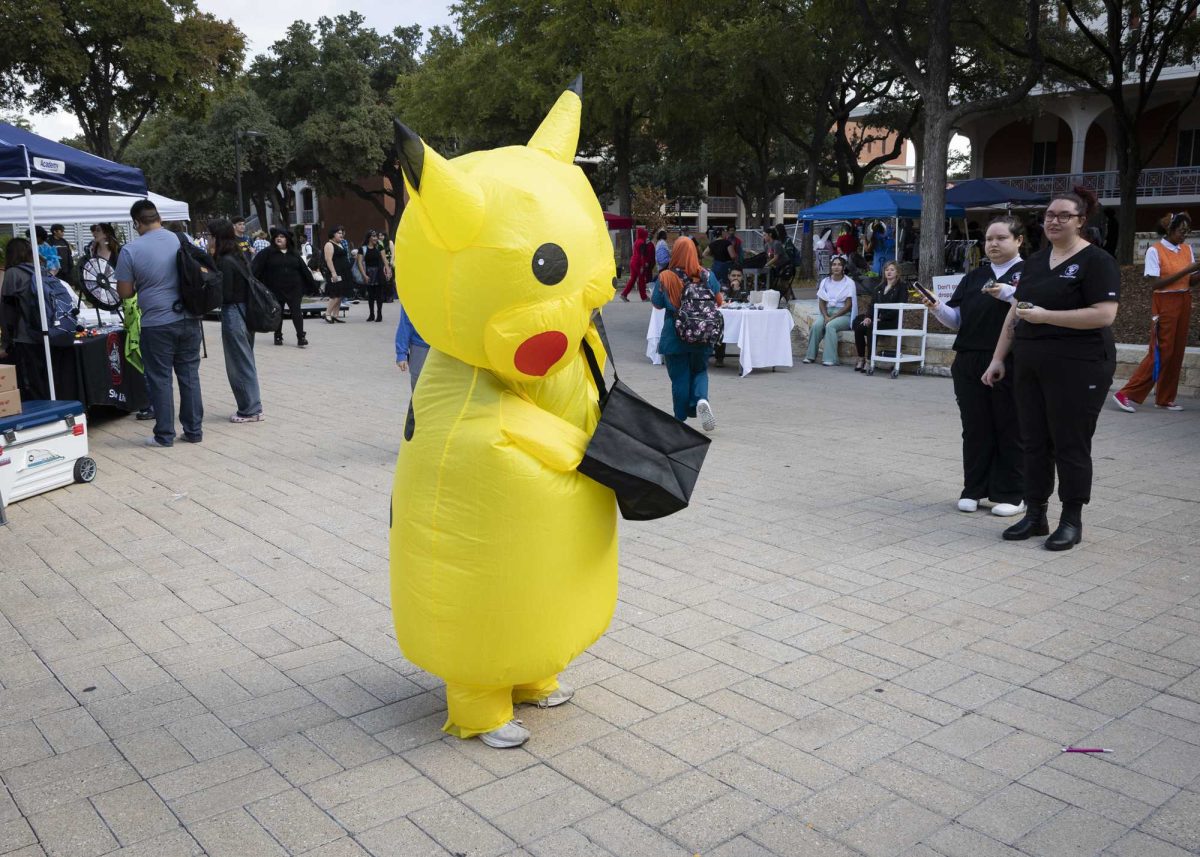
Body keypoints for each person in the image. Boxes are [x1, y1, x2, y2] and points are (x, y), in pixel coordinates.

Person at [983, 187, 1120, 551]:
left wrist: (1047, 317)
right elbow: (1016, 311)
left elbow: (1104, 315)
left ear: (1081, 221)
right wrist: (998, 357)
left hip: (1080, 366)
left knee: (1070, 443)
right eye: (1049, 215)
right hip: (1030, 364)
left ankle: (1071, 519)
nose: (1054, 221)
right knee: (1033, 441)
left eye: (1063, 216)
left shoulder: (1097, 261)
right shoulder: (1033, 263)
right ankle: (1036, 514)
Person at [921, 217, 1026, 518]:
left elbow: (1030, 309)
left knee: (1010, 425)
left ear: (1019, 240)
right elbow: (958, 320)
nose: (992, 243)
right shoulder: (974, 276)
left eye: (1001, 238)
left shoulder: (1028, 274)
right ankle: (974, 489)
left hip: (1009, 360)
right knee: (975, 427)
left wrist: (1008, 293)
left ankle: (1013, 492)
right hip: (969, 358)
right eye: (988, 238)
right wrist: (937, 308)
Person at [116, 199, 206, 447]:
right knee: (189, 376)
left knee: (160, 378)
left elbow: (124, 292)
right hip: (189, 317)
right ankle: (194, 431)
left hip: (156, 322)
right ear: (158, 217)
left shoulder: (131, 250)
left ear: (136, 222)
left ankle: (164, 435)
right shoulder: (181, 240)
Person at [1112, 212, 1197, 413]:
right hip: (1165, 301)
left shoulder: (1186, 249)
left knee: (1177, 351)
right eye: (1181, 231)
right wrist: (1187, 271)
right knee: (1162, 351)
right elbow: (1155, 284)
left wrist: (1196, 273)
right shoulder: (1155, 251)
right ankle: (1125, 393)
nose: (1184, 235)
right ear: (1169, 230)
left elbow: (1190, 281)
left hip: (1183, 299)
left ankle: (1165, 397)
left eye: (1187, 231)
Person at [651, 237, 720, 430]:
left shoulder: (666, 276)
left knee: (679, 376)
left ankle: (680, 419)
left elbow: (657, 304)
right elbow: (719, 301)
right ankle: (701, 400)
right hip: (702, 334)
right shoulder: (707, 275)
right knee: (700, 370)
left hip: (674, 335)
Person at [209, 218, 264, 423]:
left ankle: (250, 409)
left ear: (216, 237)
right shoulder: (238, 255)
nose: (207, 240)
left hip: (234, 312)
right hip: (246, 311)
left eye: (209, 236)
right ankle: (252, 405)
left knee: (239, 362)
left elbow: (225, 293)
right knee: (246, 359)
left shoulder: (224, 260)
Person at [0, 237, 51, 400]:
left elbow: (8, 310)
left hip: (23, 335)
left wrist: (5, 343)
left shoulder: (12, 274)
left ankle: (39, 412)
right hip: (46, 331)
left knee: (29, 380)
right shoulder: (40, 269)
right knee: (45, 376)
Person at [253, 226, 313, 347]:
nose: (279, 239)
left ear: (287, 239)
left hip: (294, 288)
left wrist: (311, 285)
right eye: (277, 237)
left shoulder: (294, 254)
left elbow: (304, 270)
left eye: (282, 237)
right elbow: (255, 269)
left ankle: (301, 336)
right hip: (275, 288)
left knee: (296, 312)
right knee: (278, 312)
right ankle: (278, 335)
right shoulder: (267, 253)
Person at [851, 260, 907, 372]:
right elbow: (872, 305)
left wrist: (880, 318)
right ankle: (861, 358)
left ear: (897, 272)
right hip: (877, 318)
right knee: (858, 324)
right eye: (887, 270)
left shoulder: (901, 287)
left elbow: (900, 307)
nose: (889, 272)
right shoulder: (879, 287)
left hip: (890, 320)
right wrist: (868, 317)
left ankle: (869, 360)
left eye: (892, 270)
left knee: (872, 327)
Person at [805, 255, 856, 366]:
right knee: (816, 325)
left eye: (839, 265)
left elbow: (848, 305)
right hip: (827, 312)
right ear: (831, 267)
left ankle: (830, 358)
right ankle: (810, 355)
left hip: (843, 315)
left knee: (830, 326)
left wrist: (832, 318)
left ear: (843, 267)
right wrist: (826, 316)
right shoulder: (825, 282)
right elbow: (822, 302)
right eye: (834, 264)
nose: (836, 267)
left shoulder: (849, 283)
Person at [359, 230, 392, 323]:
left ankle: (379, 314)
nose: (376, 238)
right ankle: (371, 314)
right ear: (369, 238)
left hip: (379, 273)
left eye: (376, 236)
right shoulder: (363, 248)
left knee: (379, 295)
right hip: (369, 273)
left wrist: (388, 271)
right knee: (370, 295)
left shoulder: (379, 246)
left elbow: (385, 260)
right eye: (373, 236)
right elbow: (359, 263)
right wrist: (364, 275)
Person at [395, 304, 429, 392]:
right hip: (420, 346)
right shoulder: (412, 292)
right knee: (418, 388)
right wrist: (401, 353)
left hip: (444, 348)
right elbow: (405, 322)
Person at [322, 225, 351, 323]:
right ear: (333, 234)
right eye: (338, 233)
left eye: (341, 233)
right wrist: (333, 273)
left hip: (343, 272)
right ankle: (327, 313)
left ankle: (335, 314)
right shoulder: (329, 244)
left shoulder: (340, 244)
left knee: (341, 293)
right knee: (336, 294)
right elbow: (328, 259)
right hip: (335, 272)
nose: (341, 234)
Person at [620, 226, 651, 301]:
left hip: (633, 261)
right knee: (641, 280)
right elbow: (642, 255)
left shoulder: (637, 241)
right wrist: (642, 266)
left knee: (633, 279)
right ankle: (644, 297)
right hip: (638, 263)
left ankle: (624, 294)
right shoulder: (642, 242)